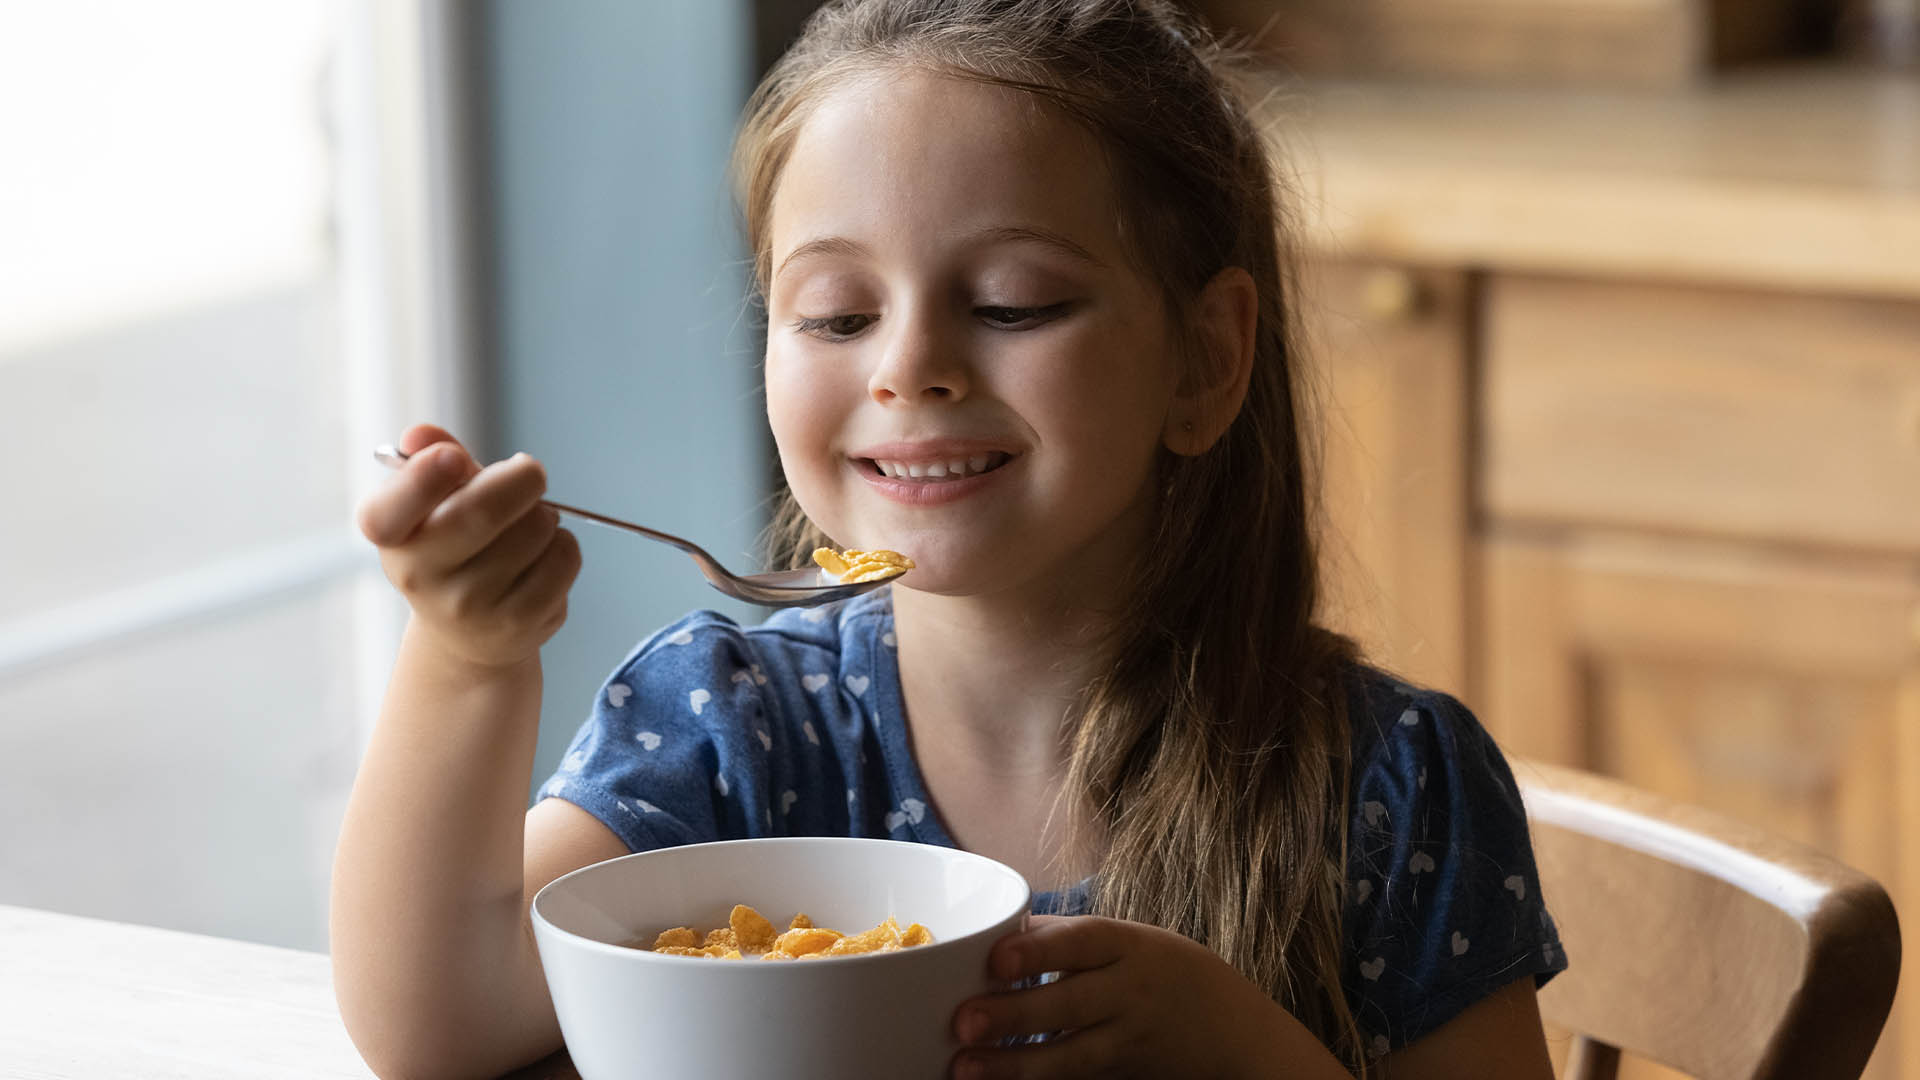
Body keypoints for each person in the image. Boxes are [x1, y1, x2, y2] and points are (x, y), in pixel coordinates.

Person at [331, 1, 1567, 1077]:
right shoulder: (733, 728)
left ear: (1206, 358)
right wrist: (469, 655)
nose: (909, 367)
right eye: (836, 314)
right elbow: (436, 1024)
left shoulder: (1388, 789)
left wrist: (1241, 1049)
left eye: (1010, 304)